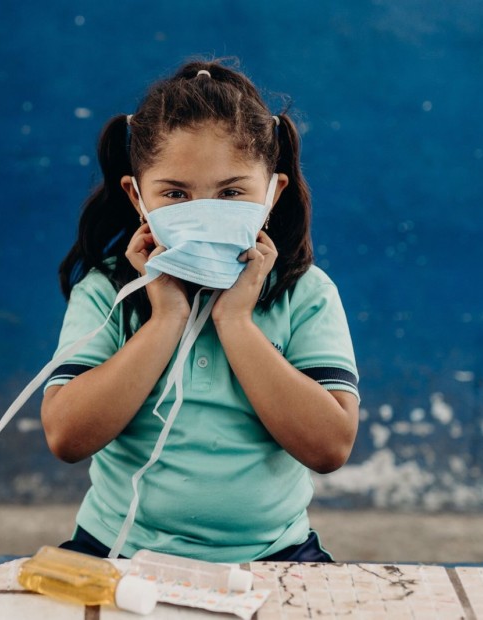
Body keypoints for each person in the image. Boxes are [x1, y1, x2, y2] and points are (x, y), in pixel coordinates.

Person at [40, 58, 360, 563]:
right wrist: (165, 318)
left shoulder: (306, 293)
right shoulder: (108, 292)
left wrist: (234, 321)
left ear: (271, 193)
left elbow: (330, 448)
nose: (204, 211)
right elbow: (66, 436)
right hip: (116, 551)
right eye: (175, 194)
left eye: (232, 192)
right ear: (137, 196)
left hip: (274, 556)